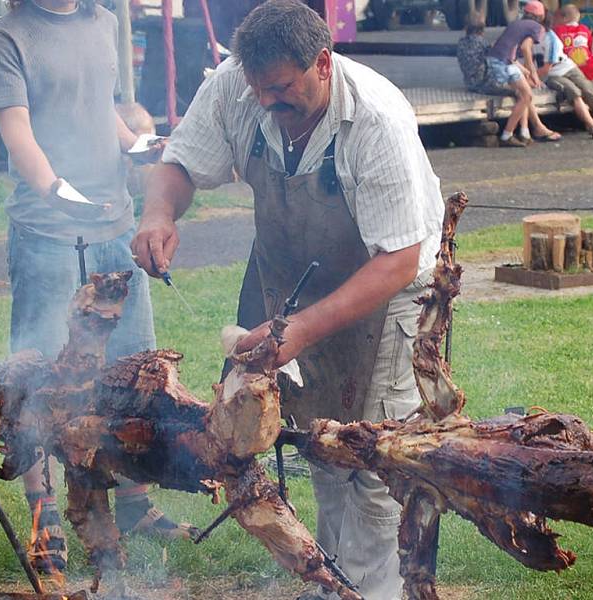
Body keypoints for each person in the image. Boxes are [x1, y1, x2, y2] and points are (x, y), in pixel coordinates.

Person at [131, 2, 444, 598]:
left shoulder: (376, 122)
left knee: (374, 460)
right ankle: (335, 583)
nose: (267, 102)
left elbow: (400, 260)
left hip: (388, 295)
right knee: (322, 447)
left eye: (281, 89)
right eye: (259, 90)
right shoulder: (238, 84)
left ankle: (374, 590)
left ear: (323, 63)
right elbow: (181, 162)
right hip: (295, 289)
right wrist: (158, 213)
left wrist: (300, 328)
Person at [0, 0, 191, 575]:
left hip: (116, 228)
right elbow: (17, 132)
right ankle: (44, 513)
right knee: (42, 374)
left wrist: (142, 145)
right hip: (48, 233)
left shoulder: (102, 21)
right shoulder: (7, 38)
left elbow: (102, 111)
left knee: (132, 371)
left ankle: (132, 503)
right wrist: (58, 191)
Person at [486, 0, 562, 146]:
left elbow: (509, 50)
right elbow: (526, 48)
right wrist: (533, 72)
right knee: (527, 95)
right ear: (540, 16)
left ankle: (525, 132)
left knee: (524, 95)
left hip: (498, 61)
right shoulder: (537, 28)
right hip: (503, 65)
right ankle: (507, 135)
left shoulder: (516, 24)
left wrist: (524, 70)